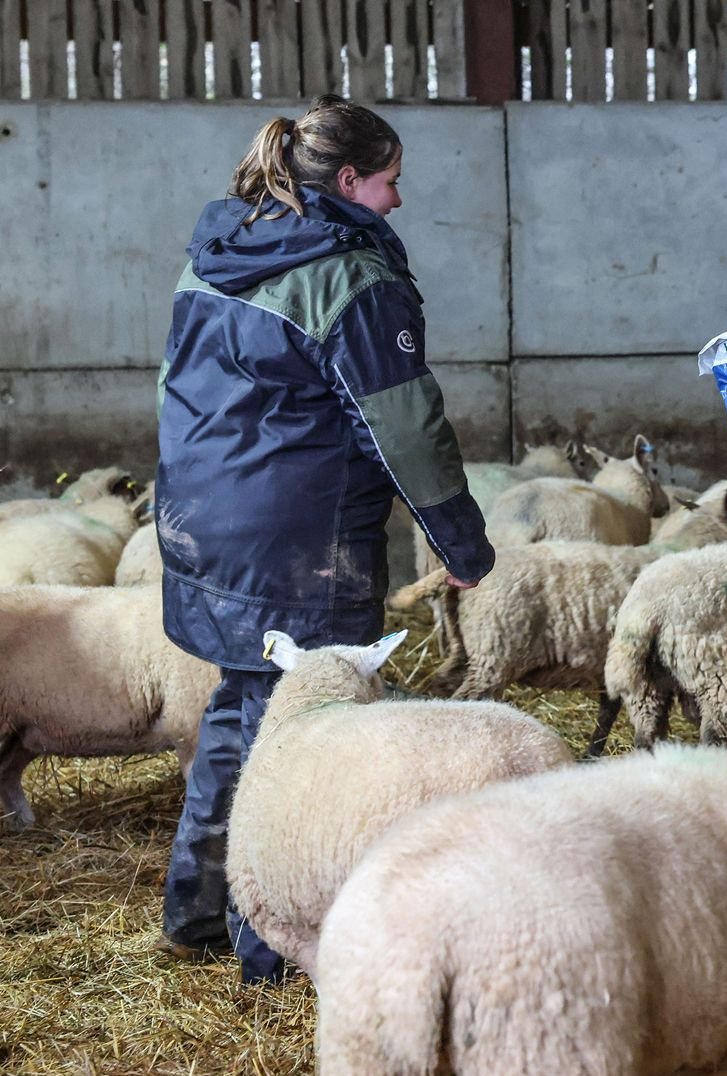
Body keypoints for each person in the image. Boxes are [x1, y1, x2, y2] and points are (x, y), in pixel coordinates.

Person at [153, 96, 494, 983]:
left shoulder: (219, 252)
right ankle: (270, 945)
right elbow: (404, 428)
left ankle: (196, 909)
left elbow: (178, 389)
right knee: (302, 744)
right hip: (300, 542)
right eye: (391, 182)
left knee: (243, 708)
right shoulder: (350, 275)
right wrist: (460, 545)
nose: (398, 201)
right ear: (349, 181)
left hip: (206, 529)